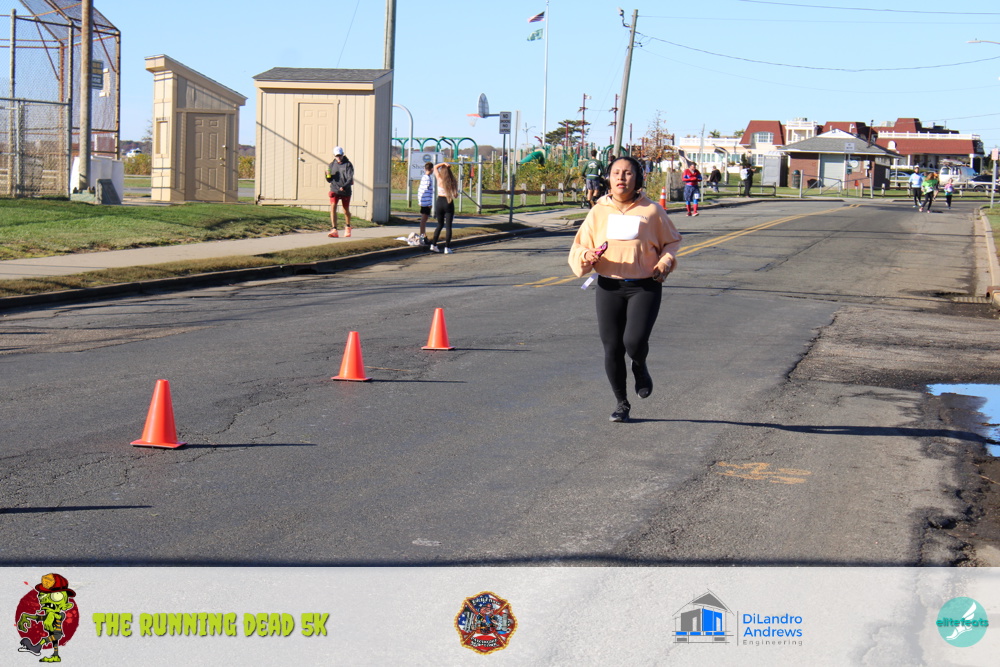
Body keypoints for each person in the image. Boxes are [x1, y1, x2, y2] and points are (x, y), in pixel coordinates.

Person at [568, 156, 683, 423]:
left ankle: (640, 365)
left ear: (637, 178)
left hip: (644, 286)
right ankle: (621, 403)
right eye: (616, 173)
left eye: (628, 173)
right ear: (608, 178)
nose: (621, 178)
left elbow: (672, 242)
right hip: (609, 286)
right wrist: (587, 255)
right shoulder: (598, 211)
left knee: (633, 342)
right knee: (612, 347)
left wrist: (665, 261)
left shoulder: (652, 210)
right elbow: (580, 245)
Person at [430, 162, 458, 254]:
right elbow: (455, 195)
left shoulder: (439, 178)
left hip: (439, 201)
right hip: (448, 201)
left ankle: (433, 244)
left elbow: (435, 167)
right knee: (448, 226)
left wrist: (443, 164)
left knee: (439, 224)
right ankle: (447, 247)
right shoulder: (452, 181)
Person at [326, 146, 354, 237]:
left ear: (343, 154)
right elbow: (329, 180)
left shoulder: (348, 164)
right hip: (334, 189)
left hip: (345, 190)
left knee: (345, 210)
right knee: (333, 208)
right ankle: (334, 229)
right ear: (334, 155)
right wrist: (327, 176)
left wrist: (344, 186)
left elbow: (350, 178)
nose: (338, 157)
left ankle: (348, 227)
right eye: (337, 156)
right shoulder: (331, 165)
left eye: (340, 155)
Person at [416, 162, 434, 244]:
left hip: (424, 201)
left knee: (425, 219)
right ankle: (422, 236)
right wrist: (429, 203)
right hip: (426, 202)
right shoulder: (427, 178)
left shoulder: (425, 177)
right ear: (431, 169)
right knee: (424, 219)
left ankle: (423, 235)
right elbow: (424, 190)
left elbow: (420, 190)